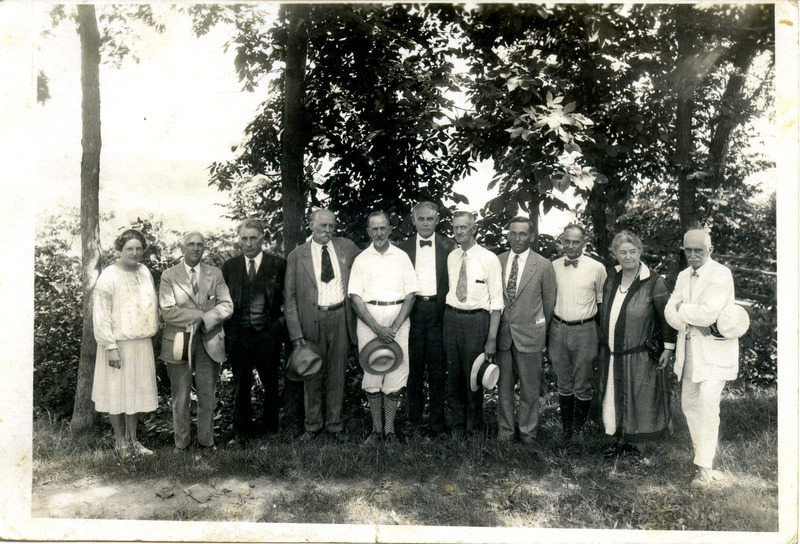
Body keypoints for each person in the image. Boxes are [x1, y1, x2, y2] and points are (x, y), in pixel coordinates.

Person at [665, 229, 739, 487]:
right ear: (683, 249)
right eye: (688, 250)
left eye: (699, 250)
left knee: (708, 408)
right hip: (689, 354)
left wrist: (682, 310)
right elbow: (668, 313)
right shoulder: (683, 275)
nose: (693, 255)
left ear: (710, 249)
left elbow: (708, 314)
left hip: (714, 353)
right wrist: (691, 318)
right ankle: (702, 458)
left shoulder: (721, 274)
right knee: (690, 406)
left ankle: (703, 468)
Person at [597, 230, 676, 457]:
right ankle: (621, 439)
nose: (628, 256)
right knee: (615, 394)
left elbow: (667, 317)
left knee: (640, 398)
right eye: (622, 252)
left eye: (632, 251)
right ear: (615, 254)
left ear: (640, 252)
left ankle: (638, 445)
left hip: (640, 355)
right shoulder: (612, 277)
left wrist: (668, 348)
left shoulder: (654, 282)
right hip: (613, 353)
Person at [284, 209, 360, 443]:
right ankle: (313, 425)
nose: (328, 231)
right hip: (311, 320)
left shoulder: (346, 247)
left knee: (338, 373)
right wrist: (296, 335)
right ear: (311, 226)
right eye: (323, 226)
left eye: (331, 226)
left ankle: (335, 425)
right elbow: (290, 297)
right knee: (312, 374)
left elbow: (370, 264)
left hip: (340, 317)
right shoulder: (298, 255)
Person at [159, 232, 233, 455]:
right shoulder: (169, 275)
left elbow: (227, 306)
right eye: (191, 244)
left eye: (200, 244)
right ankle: (181, 443)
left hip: (209, 341)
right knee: (180, 396)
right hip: (179, 342)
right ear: (183, 247)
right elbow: (168, 312)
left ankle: (206, 442)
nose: (195, 248)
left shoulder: (215, 273)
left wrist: (204, 320)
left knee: (207, 396)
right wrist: (202, 315)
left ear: (204, 248)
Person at [348, 211, 419, 444]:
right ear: (368, 232)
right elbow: (356, 297)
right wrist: (376, 327)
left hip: (398, 319)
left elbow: (410, 295)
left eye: (383, 228)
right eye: (374, 229)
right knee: (372, 371)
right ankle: (375, 430)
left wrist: (396, 326)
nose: (379, 233)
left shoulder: (401, 257)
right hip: (370, 321)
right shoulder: (361, 259)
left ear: (390, 229)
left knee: (396, 371)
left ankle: (389, 430)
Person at [91, 229, 159, 458]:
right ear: (119, 250)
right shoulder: (109, 276)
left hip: (141, 343)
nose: (135, 252)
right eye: (129, 248)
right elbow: (101, 314)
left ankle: (134, 440)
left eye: (139, 248)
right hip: (117, 345)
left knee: (134, 395)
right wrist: (110, 346)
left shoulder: (144, 271)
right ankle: (120, 442)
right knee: (116, 394)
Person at [221, 219, 287, 444]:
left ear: (262, 239)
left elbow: (287, 300)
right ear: (239, 240)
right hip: (239, 336)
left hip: (268, 334)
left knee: (270, 383)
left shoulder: (278, 264)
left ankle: (270, 431)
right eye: (244, 239)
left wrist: (278, 326)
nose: (248, 243)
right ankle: (241, 433)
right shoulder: (230, 266)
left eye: (253, 238)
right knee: (241, 385)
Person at [397, 202, 456, 436]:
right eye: (420, 219)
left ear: (437, 220)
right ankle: (413, 421)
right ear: (413, 220)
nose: (425, 223)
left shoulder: (449, 247)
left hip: (439, 313)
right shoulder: (402, 249)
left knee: (438, 369)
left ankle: (438, 423)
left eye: (429, 219)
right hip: (412, 312)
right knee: (413, 368)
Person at [496, 217, 556, 443]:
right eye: (513, 233)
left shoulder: (543, 265)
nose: (517, 238)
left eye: (523, 234)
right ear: (508, 235)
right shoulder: (498, 261)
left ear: (531, 236)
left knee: (530, 389)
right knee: (504, 389)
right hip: (503, 335)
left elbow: (549, 304)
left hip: (530, 335)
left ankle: (528, 433)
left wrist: (538, 328)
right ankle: (505, 433)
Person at [444, 211, 503, 438]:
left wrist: (491, 338)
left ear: (474, 229)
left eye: (464, 227)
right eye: (456, 227)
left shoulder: (489, 258)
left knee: (474, 375)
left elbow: (496, 302)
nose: (459, 231)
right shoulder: (452, 257)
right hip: (451, 319)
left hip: (477, 321)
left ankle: (474, 428)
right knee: (455, 375)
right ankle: (457, 426)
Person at [550, 224, 607, 442]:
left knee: (582, 381)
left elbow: (601, 302)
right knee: (564, 381)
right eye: (567, 241)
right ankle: (566, 430)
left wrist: (601, 334)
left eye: (576, 241)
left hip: (585, 330)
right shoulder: (552, 266)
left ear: (584, 242)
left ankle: (579, 430)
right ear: (562, 241)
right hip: (558, 328)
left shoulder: (596, 268)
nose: (571, 246)